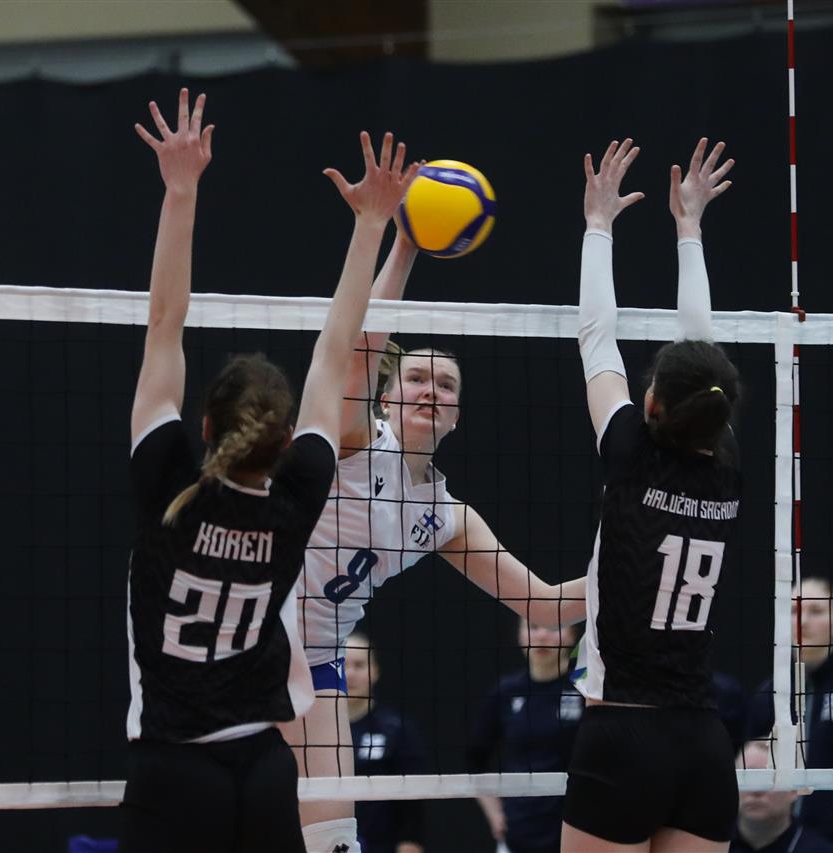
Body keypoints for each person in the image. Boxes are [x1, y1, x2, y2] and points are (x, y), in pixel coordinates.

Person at [121, 87, 418, 853]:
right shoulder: (295, 502)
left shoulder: (166, 487)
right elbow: (335, 352)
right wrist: (372, 225)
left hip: (174, 769)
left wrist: (180, 190)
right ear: (287, 441)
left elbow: (164, 323)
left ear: (205, 426)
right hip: (261, 766)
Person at [282, 193, 589, 853]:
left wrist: (631, 575)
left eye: (446, 386)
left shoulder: (447, 517)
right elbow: (360, 348)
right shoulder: (357, 439)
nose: (431, 391)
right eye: (417, 378)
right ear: (387, 396)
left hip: (320, 660)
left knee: (335, 837)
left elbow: (544, 604)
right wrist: (405, 243)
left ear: (456, 415)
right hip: (252, 633)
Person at [560, 136, 741, 853]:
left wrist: (597, 224)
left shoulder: (630, 457)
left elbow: (595, 338)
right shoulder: (725, 467)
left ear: (653, 406)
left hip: (623, 737)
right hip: (704, 744)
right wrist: (688, 228)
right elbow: (703, 359)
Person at [745, 577, 833, 853]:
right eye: (794, 611)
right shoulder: (766, 694)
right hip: (776, 840)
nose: (803, 621)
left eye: (816, 611)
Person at [469, 619, 586, 853]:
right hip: (518, 833)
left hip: (574, 832)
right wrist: (494, 814)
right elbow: (474, 759)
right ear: (520, 635)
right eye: (533, 627)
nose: (542, 635)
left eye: (553, 628)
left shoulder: (585, 688)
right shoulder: (506, 692)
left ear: (572, 635)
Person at [342, 632, 429, 853]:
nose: (350, 674)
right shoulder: (318, 733)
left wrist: (410, 843)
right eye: (342, 665)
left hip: (382, 846)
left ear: (375, 671)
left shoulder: (396, 728)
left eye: (359, 665)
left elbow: (413, 799)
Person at [731, 742, 833, 853]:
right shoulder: (719, 844)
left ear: (794, 790)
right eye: (747, 777)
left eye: (771, 779)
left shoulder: (823, 850)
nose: (756, 791)